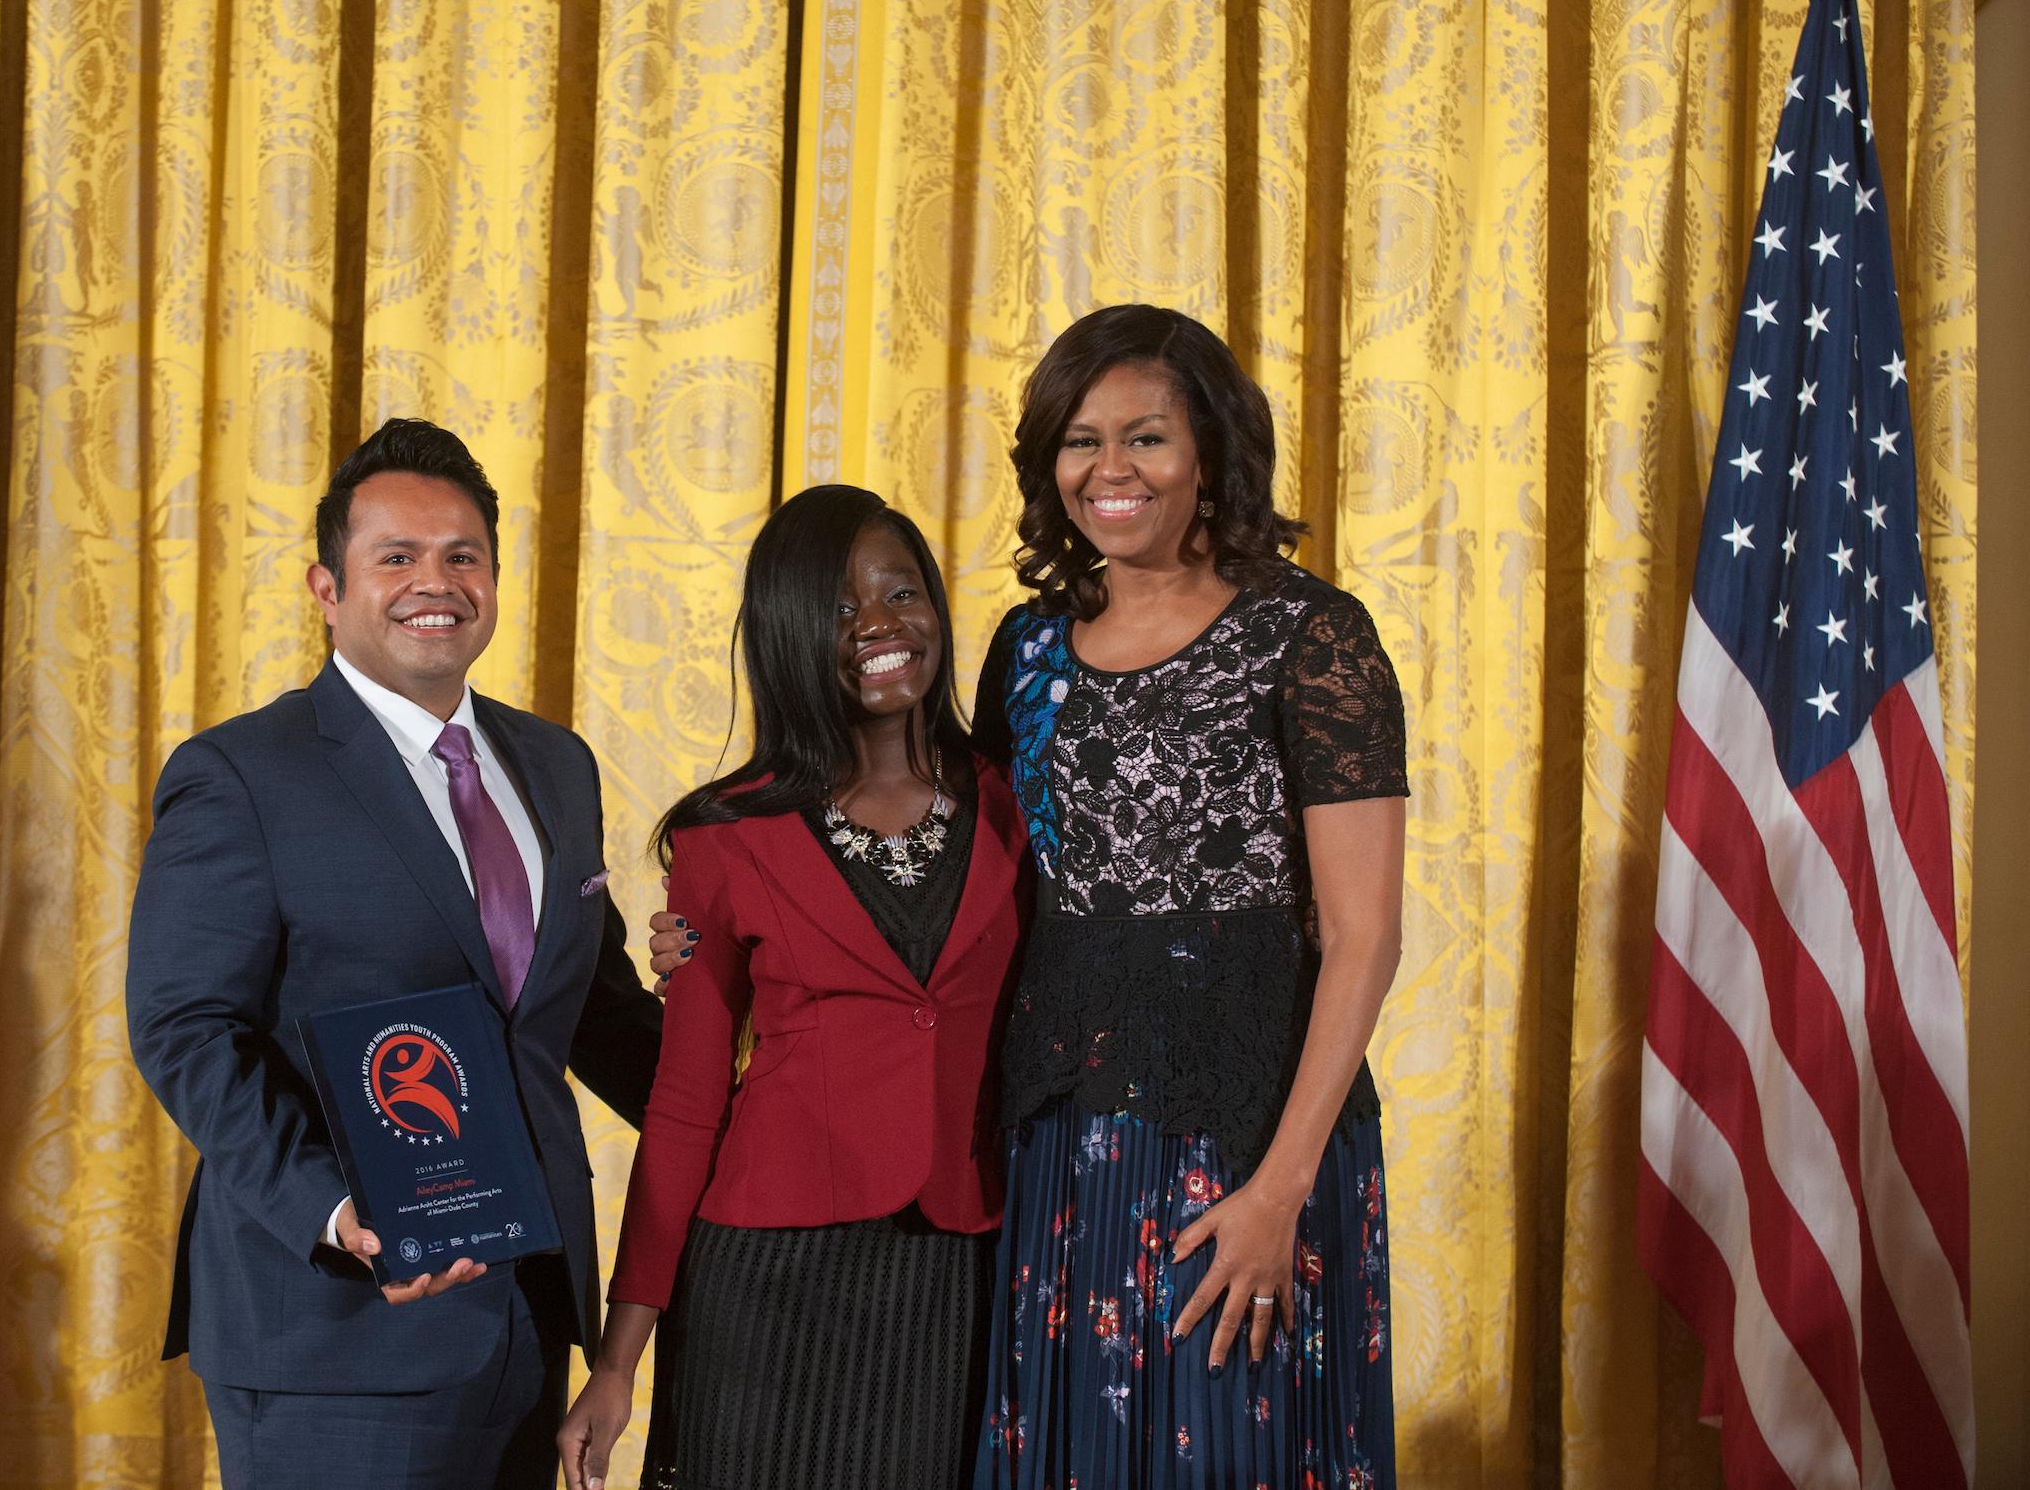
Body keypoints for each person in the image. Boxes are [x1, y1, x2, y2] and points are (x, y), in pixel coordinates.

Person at [651, 306, 1409, 1487]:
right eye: (1080, 440)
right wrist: (705, 932)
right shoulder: (1031, 649)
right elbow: (952, 854)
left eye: (1146, 437)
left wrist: (1282, 1185)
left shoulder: (1311, 636)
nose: (1111, 469)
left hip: (1250, 1141)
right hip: (1058, 1156)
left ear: (1210, 447)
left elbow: (1363, 935)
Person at [126, 420, 663, 1490]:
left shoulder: (556, 766)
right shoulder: (242, 773)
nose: (437, 582)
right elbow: (184, 1028)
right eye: (398, 557)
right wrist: (333, 1209)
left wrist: (762, 1093)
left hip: (525, 1317)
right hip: (335, 1331)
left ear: (497, 577)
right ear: (328, 586)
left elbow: (591, 1013)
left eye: (463, 554)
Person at [558, 486, 1032, 1490]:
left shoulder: (1010, 801)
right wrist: (617, 1359)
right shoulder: (725, 835)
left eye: (902, 591)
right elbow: (686, 1105)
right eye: (838, 610)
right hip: (766, 1289)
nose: (879, 625)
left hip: (956, 1268)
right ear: (784, 638)